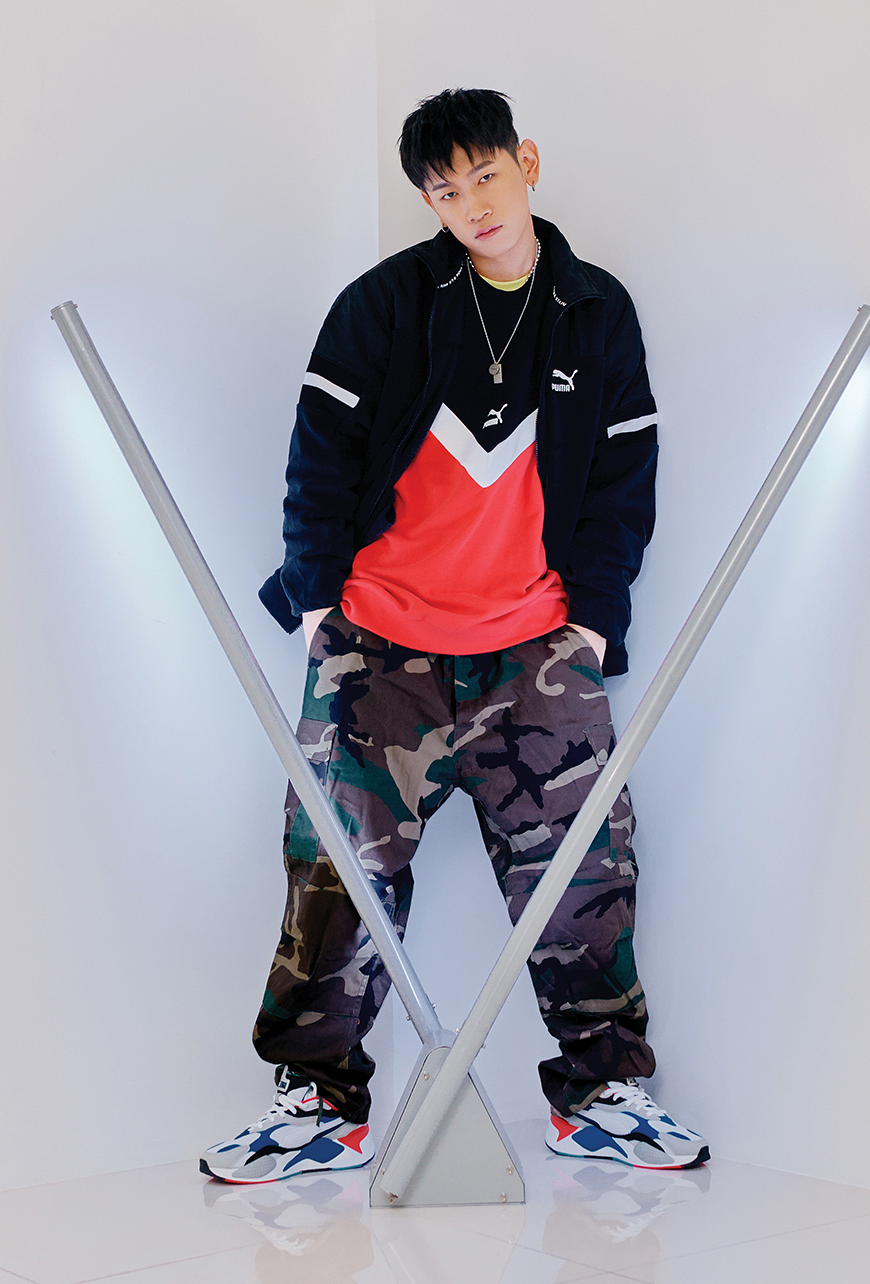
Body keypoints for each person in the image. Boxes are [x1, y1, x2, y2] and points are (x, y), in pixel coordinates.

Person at [201, 88, 709, 1184]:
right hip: (378, 649)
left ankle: (602, 1096)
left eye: (485, 175)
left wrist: (593, 623)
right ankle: (317, 1107)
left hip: (535, 653)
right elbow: (318, 456)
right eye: (444, 190)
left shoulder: (594, 311)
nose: (471, 203)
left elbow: (624, 481)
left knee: (587, 871)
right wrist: (319, 604)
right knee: (333, 874)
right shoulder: (384, 305)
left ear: (526, 162)